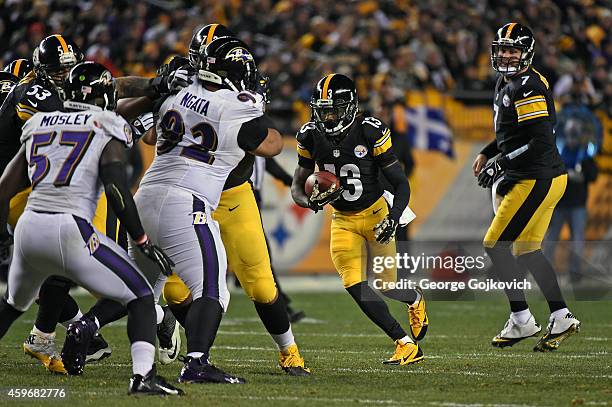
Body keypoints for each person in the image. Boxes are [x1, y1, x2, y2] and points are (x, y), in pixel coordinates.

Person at [0, 61, 183, 396]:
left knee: (12, 305)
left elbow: (4, 187)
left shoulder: (40, 121)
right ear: (104, 96)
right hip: (70, 230)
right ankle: (143, 377)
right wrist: (141, 240)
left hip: (29, 229)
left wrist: (1, 233)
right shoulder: (107, 124)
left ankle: (43, 337)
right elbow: (115, 189)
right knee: (141, 295)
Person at [138, 25, 310, 375]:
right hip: (183, 193)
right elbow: (149, 133)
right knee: (174, 288)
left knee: (261, 284)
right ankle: (193, 345)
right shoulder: (179, 81)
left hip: (231, 194)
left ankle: (289, 350)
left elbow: (262, 139)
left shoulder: (236, 86)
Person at [291, 73, 428, 366]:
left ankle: (415, 299)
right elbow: (296, 186)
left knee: (387, 286)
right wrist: (309, 202)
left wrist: (393, 217)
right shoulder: (310, 135)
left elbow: (401, 183)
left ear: (351, 106)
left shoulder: (370, 130)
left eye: (333, 109)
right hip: (342, 219)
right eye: (322, 109)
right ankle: (404, 343)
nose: (327, 117)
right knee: (353, 283)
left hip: (377, 214)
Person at [472, 22, 580, 352]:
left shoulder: (528, 86)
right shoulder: (508, 82)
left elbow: (539, 139)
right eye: (501, 49)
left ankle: (521, 320)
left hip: (536, 176)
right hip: (540, 176)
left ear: (527, 53)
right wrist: (488, 151)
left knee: (496, 245)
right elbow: (511, 134)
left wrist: (501, 163)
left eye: (512, 49)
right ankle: (561, 315)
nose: (505, 55)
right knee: (526, 250)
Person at [544, 118, 598, 283]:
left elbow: (593, 176)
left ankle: (575, 273)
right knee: (551, 239)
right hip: (559, 204)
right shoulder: (559, 151)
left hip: (577, 205)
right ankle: (545, 273)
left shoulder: (585, 153)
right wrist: (566, 175)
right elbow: (549, 173)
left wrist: (582, 175)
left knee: (577, 240)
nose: (573, 137)